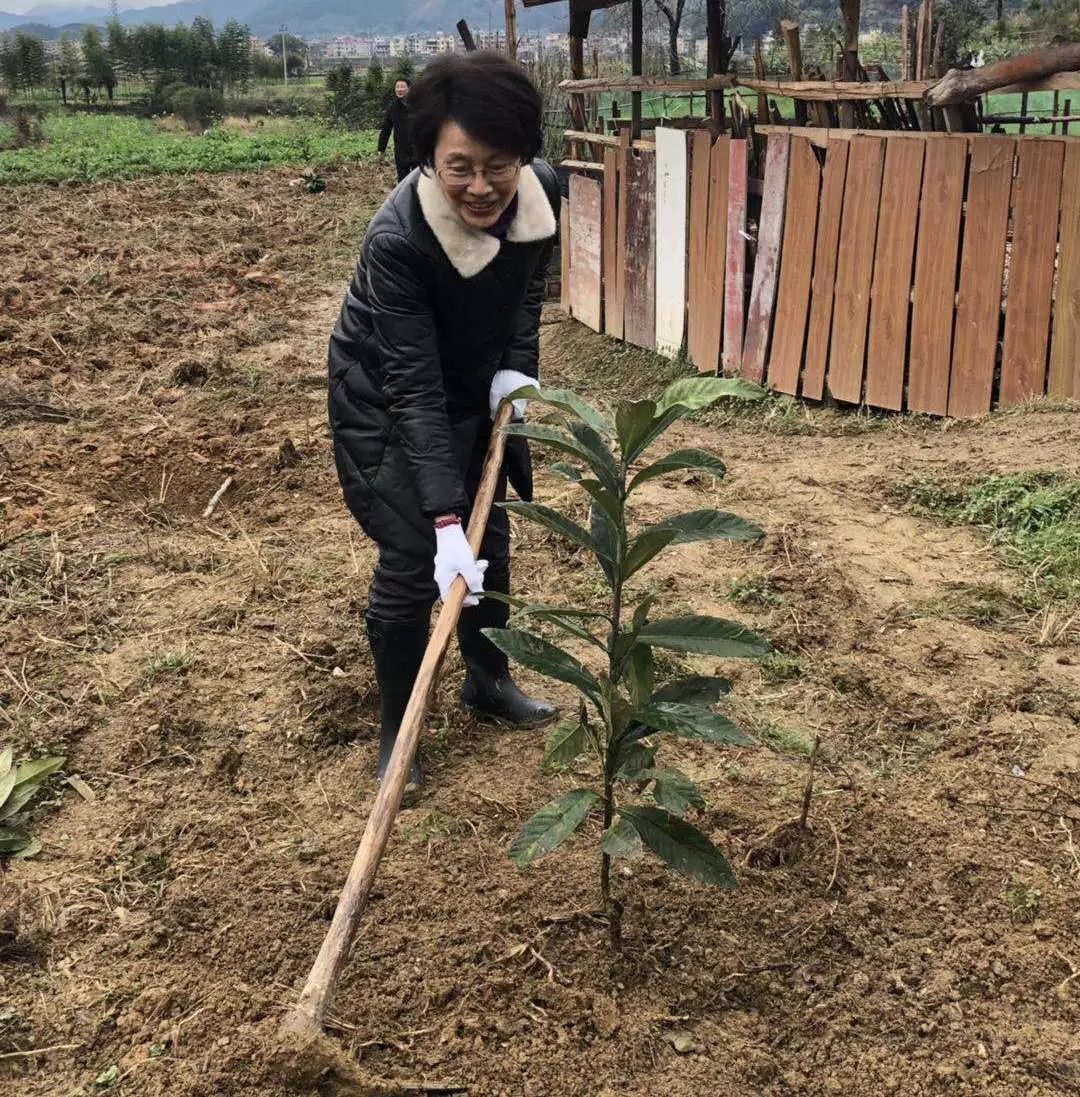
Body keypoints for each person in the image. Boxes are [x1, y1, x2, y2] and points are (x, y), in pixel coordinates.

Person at [328, 52, 560, 789]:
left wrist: (517, 367)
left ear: (524, 154)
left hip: (471, 379)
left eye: (499, 164)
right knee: (412, 558)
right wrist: (438, 519)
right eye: (460, 166)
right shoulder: (399, 241)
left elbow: (527, 292)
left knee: (490, 534)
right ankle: (399, 732)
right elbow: (412, 385)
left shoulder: (543, 193)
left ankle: (487, 680)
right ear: (428, 157)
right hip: (385, 394)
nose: (482, 186)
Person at [377, 78, 417, 183]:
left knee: (419, 182)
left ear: (409, 89)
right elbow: (386, 129)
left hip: (418, 150)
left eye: (402, 87)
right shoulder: (393, 109)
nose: (399, 89)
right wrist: (381, 149)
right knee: (403, 182)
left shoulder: (418, 106)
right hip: (401, 152)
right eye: (397, 87)